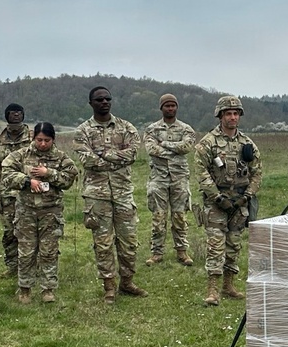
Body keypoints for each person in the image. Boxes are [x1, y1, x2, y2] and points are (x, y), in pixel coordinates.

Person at [74, 87, 146, 302]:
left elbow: (132, 154)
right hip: (97, 196)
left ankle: (127, 282)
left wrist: (104, 154)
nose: (104, 102)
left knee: (129, 241)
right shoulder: (83, 131)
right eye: (99, 99)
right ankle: (109, 286)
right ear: (91, 103)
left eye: (107, 99)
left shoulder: (126, 127)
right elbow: (87, 160)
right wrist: (117, 158)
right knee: (103, 243)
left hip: (123, 193)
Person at [1, 122, 78, 305]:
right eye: (39, 140)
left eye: (47, 140)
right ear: (33, 138)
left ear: (53, 139)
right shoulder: (21, 155)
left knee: (49, 251)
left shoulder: (61, 157)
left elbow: (69, 178)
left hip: (50, 211)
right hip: (26, 211)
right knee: (26, 251)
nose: (43, 144)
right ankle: (25, 288)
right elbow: (6, 173)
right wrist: (27, 181)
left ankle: (48, 289)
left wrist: (49, 173)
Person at [194, 97, 262, 306]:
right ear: (220, 116)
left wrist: (246, 196)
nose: (233, 117)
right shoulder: (208, 143)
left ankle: (228, 285)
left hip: (239, 202)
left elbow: (257, 173)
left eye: (236, 113)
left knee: (234, 244)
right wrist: (216, 197)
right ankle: (213, 290)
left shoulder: (247, 144)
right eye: (228, 114)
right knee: (216, 245)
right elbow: (201, 171)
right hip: (216, 202)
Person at [143, 93, 196, 266]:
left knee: (179, 216)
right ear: (161, 108)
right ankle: (157, 252)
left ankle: (182, 251)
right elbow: (152, 150)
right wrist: (175, 151)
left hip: (179, 177)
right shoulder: (152, 129)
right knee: (159, 216)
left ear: (177, 107)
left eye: (173, 105)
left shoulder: (186, 129)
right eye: (167, 105)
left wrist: (165, 144)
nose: (170, 108)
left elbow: (186, 147)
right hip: (158, 177)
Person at [0, 103, 32, 275]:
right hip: (7, 194)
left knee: (29, 231)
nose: (16, 115)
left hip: (30, 191)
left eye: (19, 112)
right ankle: (13, 267)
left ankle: (32, 266)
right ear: (6, 115)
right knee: (9, 233)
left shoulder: (33, 137)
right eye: (12, 113)